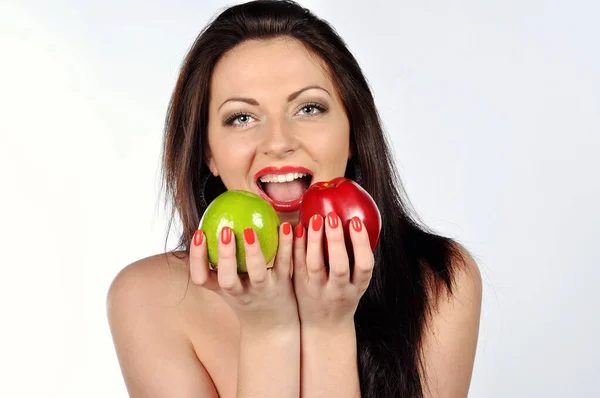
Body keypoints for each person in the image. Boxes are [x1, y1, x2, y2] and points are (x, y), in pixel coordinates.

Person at [106, 1, 482, 397]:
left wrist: (328, 328)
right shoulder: (146, 299)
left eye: (308, 108)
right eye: (242, 117)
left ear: (353, 134)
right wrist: (268, 331)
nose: (279, 142)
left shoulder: (440, 281)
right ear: (208, 153)